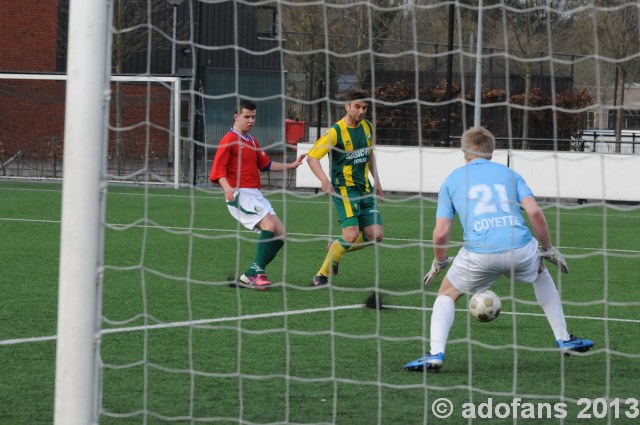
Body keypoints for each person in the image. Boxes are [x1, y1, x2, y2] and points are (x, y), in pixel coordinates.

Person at [405, 127, 593, 371]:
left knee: (446, 295)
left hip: (479, 253)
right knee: (540, 273)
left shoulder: (452, 179)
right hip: (520, 248)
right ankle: (564, 338)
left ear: (464, 152)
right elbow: (535, 212)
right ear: (491, 152)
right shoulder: (510, 174)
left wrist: (440, 261)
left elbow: (441, 232)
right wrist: (547, 250)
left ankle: (435, 353)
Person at [209, 99, 306, 290]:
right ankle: (258, 274)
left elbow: (266, 165)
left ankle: (248, 275)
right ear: (236, 117)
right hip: (239, 193)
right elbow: (217, 171)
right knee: (269, 225)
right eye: (247, 117)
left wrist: (291, 165)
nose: (251, 120)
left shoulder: (252, 140)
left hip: (255, 194)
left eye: (253, 117)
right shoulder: (228, 140)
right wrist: (227, 188)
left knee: (281, 234)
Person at [306, 88, 384, 287]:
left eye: (364, 107)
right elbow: (312, 157)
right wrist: (324, 180)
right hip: (344, 190)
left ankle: (337, 247)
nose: (361, 111)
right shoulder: (335, 132)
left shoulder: (367, 127)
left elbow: (370, 155)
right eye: (357, 107)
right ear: (347, 106)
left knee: (376, 235)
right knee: (350, 233)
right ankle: (320, 276)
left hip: (365, 189)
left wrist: (378, 183)